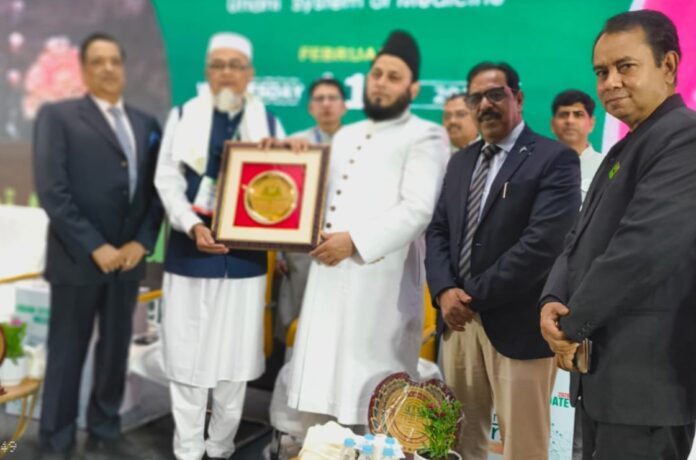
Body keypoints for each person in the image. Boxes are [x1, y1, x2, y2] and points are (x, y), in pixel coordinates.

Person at [540, 10, 696, 460]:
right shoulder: (626, 146)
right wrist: (551, 298)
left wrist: (570, 326)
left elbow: (641, 250)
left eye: (625, 66)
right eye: (601, 72)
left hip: (647, 384)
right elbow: (577, 239)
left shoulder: (684, 138)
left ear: (668, 65)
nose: (610, 82)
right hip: (605, 380)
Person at [282, 29, 449, 429]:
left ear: (413, 88)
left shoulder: (426, 134)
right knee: (321, 395)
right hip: (327, 277)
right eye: (376, 74)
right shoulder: (347, 134)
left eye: (393, 77)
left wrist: (355, 242)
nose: (381, 83)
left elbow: (418, 210)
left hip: (379, 283)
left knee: (372, 400)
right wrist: (294, 165)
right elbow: (320, 198)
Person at [425, 61, 580, 460]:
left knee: (523, 447)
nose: (485, 105)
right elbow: (438, 230)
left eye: (495, 94)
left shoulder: (554, 159)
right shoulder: (461, 161)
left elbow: (542, 245)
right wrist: (444, 291)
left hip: (517, 325)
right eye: (475, 98)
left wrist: (469, 297)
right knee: (456, 442)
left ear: (518, 98)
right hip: (458, 326)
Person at [154, 32, 284, 460]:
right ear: (207, 72)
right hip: (190, 254)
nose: (227, 73)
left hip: (245, 261)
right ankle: (189, 449)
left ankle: (221, 446)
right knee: (188, 358)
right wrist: (191, 224)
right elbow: (167, 180)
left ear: (250, 73)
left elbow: (284, 189)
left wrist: (279, 158)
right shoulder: (183, 116)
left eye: (235, 65)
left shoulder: (269, 125)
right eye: (218, 65)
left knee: (235, 361)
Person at [33, 32, 162, 459]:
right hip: (77, 260)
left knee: (114, 351)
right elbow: (53, 191)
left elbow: (156, 192)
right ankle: (56, 439)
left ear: (123, 68)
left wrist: (142, 242)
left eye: (114, 61)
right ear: (84, 70)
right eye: (97, 61)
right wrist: (95, 246)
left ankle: (105, 429)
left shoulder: (146, 123)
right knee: (67, 353)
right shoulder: (58, 116)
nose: (107, 68)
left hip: (127, 261)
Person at [275, 77, 347, 342]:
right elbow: (280, 199)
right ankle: (292, 367)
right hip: (302, 246)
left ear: (344, 106)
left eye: (332, 98)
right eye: (319, 99)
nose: (326, 104)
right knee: (300, 316)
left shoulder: (358, 143)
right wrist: (279, 250)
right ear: (310, 107)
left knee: (342, 319)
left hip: (345, 243)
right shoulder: (295, 143)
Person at [550, 89, 603, 199]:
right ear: (553, 124)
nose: (570, 121)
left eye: (578, 115)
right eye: (563, 115)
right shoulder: (537, 166)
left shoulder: (605, 166)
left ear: (591, 123)